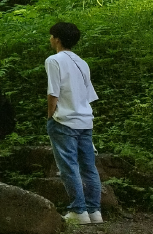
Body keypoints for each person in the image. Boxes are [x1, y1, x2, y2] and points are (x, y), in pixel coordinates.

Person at [44, 22, 103, 225]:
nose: (50, 39)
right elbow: (88, 95)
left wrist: (50, 116)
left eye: (51, 36)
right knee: (89, 167)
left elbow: (53, 93)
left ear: (58, 39)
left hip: (64, 120)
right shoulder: (82, 63)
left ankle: (78, 210)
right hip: (85, 120)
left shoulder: (54, 60)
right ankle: (94, 211)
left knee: (69, 166)